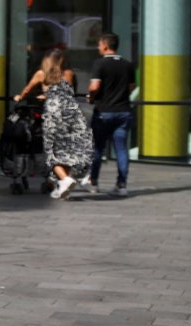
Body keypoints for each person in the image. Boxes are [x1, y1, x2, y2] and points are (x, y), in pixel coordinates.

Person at [16, 48, 89, 200]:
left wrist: (19, 97)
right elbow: (68, 93)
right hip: (72, 116)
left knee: (52, 153)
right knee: (66, 151)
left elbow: (26, 91)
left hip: (54, 116)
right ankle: (61, 187)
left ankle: (65, 179)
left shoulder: (41, 74)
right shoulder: (69, 74)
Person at [88, 31, 134, 196]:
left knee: (98, 149)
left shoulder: (99, 64)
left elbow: (94, 87)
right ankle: (122, 185)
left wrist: (91, 98)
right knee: (121, 149)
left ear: (105, 45)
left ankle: (93, 182)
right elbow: (131, 88)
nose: (98, 47)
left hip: (104, 112)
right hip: (124, 112)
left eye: (99, 44)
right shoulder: (127, 64)